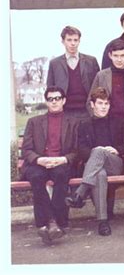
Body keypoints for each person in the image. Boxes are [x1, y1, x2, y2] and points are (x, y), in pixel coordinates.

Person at [21, 86, 79, 244]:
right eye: (50, 99)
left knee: (61, 175)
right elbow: (26, 150)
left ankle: (46, 224)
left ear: (64, 101)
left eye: (57, 98)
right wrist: (39, 160)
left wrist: (63, 159)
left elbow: (77, 150)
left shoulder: (73, 122)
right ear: (46, 102)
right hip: (40, 163)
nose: (54, 102)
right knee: (36, 177)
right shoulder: (33, 122)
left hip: (60, 162)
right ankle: (55, 223)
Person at [66, 87, 124, 236]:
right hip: (95, 169)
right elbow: (81, 150)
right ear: (92, 105)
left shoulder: (118, 122)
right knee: (100, 174)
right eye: (100, 103)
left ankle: (80, 193)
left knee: (100, 151)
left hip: (115, 164)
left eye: (106, 103)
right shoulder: (84, 125)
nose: (103, 107)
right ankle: (103, 222)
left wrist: (116, 150)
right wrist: (97, 152)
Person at [47, 26, 99, 121]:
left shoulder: (91, 61)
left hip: (87, 112)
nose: (73, 43)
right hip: (65, 112)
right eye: (69, 40)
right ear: (63, 41)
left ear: (79, 41)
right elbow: (50, 89)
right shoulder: (54, 64)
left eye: (76, 40)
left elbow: (98, 87)